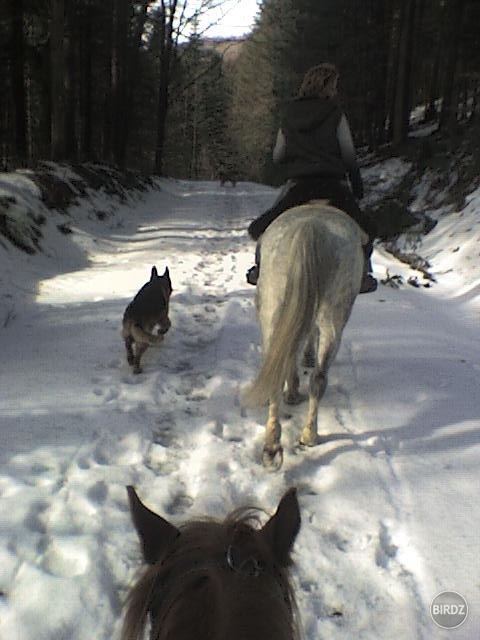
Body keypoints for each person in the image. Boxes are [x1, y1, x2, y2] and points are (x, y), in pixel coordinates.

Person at [246, 63, 377, 293]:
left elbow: (278, 156)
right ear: (326, 85)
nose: (336, 91)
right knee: (367, 231)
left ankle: (260, 270)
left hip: (299, 188)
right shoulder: (335, 113)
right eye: (334, 85)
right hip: (333, 187)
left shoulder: (289, 114)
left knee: (262, 229)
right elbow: (348, 155)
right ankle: (363, 274)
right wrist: (357, 189)